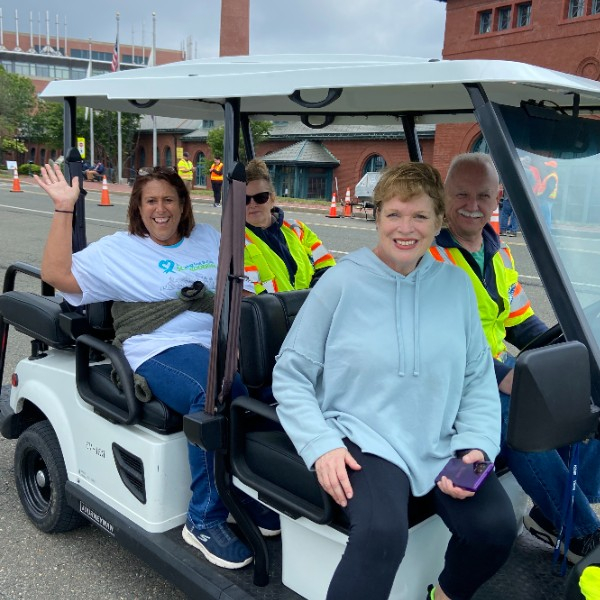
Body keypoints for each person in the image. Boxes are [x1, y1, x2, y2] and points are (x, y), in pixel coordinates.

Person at [273, 162, 517, 600]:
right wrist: (320, 444)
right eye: (394, 215)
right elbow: (291, 375)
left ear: (439, 222)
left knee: (496, 527)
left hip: (442, 439)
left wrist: (478, 446)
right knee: (382, 535)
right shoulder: (341, 282)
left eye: (420, 216)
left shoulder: (456, 286)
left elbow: (477, 379)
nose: (406, 228)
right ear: (377, 218)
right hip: (365, 437)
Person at [33, 163, 280, 571]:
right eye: (151, 201)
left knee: (274, 384)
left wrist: (245, 342)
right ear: (138, 207)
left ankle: (244, 491)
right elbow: (56, 274)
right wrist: (64, 208)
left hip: (216, 342)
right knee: (215, 391)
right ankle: (204, 519)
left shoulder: (208, 237)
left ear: (183, 205)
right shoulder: (119, 250)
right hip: (158, 347)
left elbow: (241, 291)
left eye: (168, 199)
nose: (160, 209)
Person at [433, 152, 600, 563]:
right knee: (520, 418)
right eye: (462, 194)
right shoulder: (430, 258)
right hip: (447, 383)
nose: (472, 205)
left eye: (483, 195)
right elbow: (440, 342)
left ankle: (554, 513)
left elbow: (522, 323)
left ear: (498, 198)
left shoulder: (498, 253)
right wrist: (503, 376)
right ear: (444, 194)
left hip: (493, 376)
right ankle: (583, 534)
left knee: (590, 397)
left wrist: (568, 357)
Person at [244, 159, 336, 294]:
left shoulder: (298, 229)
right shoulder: (237, 245)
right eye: (245, 199)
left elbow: (327, 267)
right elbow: (253, 295)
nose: (252, 204)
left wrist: (315, 298)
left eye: (261, 197)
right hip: (276, 308)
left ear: (272, 199)